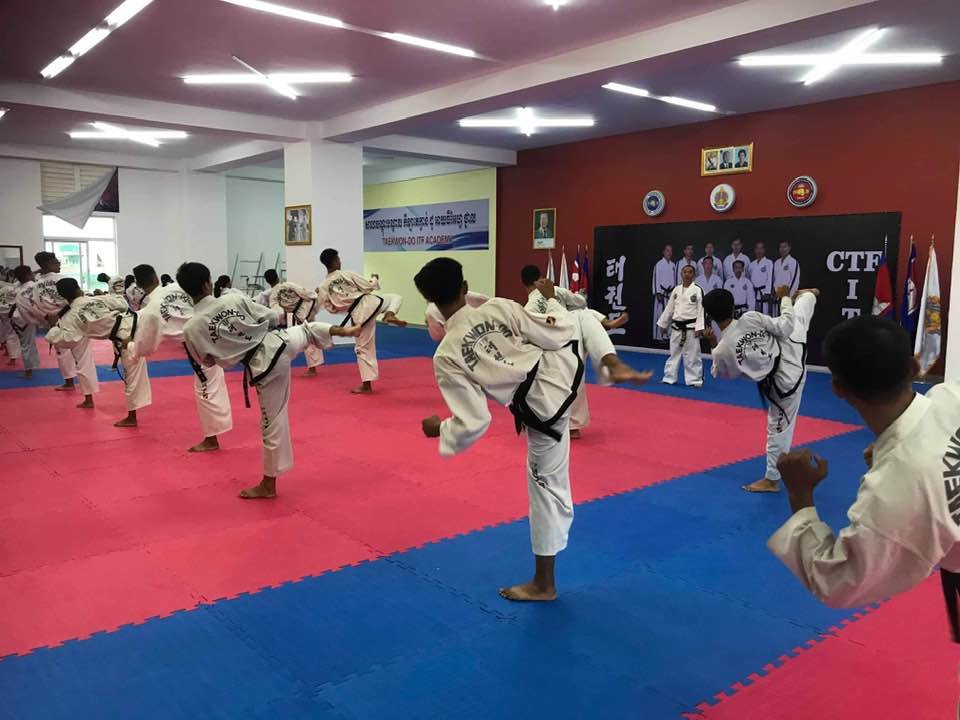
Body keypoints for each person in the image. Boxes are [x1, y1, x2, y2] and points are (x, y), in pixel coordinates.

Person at [415, 258, 649, 602]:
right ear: (465, 289)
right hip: (566, 372)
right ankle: (611, 363)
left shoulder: (446, 355)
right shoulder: (497, 307)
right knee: (580, 317)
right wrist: (554, 306)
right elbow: (551, 332)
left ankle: (543, 584)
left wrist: (441, 428)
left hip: (543, 411)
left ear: (431, 304)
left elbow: (474, 421)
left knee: (546, 493)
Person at [768, 316, 960, 637]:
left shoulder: (895, 487)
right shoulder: (950, 395)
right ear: (915, 367)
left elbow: (837, 581)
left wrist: (800, 495)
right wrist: (891, 449)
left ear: (838, 389)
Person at [178, 262, 360, 498]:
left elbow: (207, 361)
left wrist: (230, 345)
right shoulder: (233, 299)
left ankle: (268, 485)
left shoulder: (191, 328)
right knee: (307, 330)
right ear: (207, 283)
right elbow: (271, 318)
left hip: (263, 366)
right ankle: (342, 331)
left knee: (271, 423)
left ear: (186, 290)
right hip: (281, 342)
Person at [702, 285, 819, 493]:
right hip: (793, 348)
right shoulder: (750, 317)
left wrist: (714, 344)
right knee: (799, 316)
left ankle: (772, 480)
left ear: (709, 315)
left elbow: (721, 373)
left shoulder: (722, 350)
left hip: (785, 383)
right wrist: (784, 298)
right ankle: (809, 295)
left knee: (778, 430)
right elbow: (784, 327)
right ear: (733, 306)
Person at [521, 264, 634, 438]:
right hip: (576, 338)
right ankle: (574, 426)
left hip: (553, 344)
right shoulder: (557, 290)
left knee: (553, 385)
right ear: (540, 275)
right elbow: (581, 302)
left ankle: (555, 421)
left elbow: (530, 330)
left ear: (524, 284)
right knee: (576, 379)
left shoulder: (529, 306)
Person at [131, 264, 233, 452]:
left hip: (200, 346)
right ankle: (214, 435)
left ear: (138, 284)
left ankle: (212, 440)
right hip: (216, 332)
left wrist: (133, 352)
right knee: (213, 386)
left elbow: (145, 345)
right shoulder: (178, 288)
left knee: (205, 391)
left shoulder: (152, 310)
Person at [46, 278, 146, 423]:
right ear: (78, 289)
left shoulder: (68, 317)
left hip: (128, 336)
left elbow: (68, 340)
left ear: (64, 296)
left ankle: (132, 419)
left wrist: (53, 328)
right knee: (132, 377)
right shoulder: (97, 299)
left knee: (131, 378)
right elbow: (123, 304)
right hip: (133, 325)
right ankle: (131, 416)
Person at [316, 248, 406, 394]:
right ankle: (390, 313)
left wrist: (341, 307)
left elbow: (329, 307)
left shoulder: (323, 286)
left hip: (359, 314)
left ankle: (366, 386)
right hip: (372, 302)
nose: (340, 261)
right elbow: (369, 286)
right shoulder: (347, 274)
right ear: (335, 261)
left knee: (364, 348)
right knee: (395, 298)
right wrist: (375, 279)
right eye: (338, 259)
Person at [33, 251, 88, 393]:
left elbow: (36, 304)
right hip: (71, 315)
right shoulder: (63, 278)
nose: (59, 264)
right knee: (80, 350)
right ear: (48, 264)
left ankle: (69, 382)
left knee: (62, 350)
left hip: (52, 320)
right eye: (56, 262)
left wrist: (46, 316)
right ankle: (85, 385)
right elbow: (77, 295)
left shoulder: (36, 284)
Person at [268, 277, 325, 376]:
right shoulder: (287, 285)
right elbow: (303, 292)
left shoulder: (273, 295)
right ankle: (314, 364)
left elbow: (278, 312)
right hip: (309, 307)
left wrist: (282, 319)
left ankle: (312, 369)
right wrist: (314, 295)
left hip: (301, 315)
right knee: (312, 335)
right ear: (277, 278)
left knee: (307, 338)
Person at [658, 265, 704, 387]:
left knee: (692, 355)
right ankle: (669, 377)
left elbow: (701, 310)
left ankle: (694, 380)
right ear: (681, 274)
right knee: (674, 353)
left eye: (690, 272)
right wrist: (663, 323)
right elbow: (669, 308)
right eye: (685, 272)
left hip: (691, 328)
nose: (687, 274)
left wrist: (699, 327)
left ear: (693, 275)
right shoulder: (676, 290)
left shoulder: (697, 290)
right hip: (676, 328)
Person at [7, 266, 41, 377]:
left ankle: (29, 369)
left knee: (27, 343)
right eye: (31, 273)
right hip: (25, 319)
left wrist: (32, 273)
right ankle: (28, 370)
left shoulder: (20, 286)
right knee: (27, 344)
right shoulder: (33, 286)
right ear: (27, 275)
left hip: (19, 318)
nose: (33, 274)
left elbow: (18, 282)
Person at [652, 245, 676, 342]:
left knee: (670, 315)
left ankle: (668, 335)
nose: (669, 253)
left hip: (670, 293)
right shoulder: (659, 264)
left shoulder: (673, 265)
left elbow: (674, 280)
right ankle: (659, 336)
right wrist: (658, 293)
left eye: (670, 251)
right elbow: (655, 279)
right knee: (660, 315)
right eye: (667, 251)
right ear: (663, 252)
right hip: (661, 293)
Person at [773, 241, 800, 315]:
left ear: (789, 248)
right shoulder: (776, 263)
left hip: (787, 296)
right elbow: (775, 280)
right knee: (777, 319)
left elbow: (795, 281)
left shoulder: (793, 262)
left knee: (786, 318)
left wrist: (789, 297)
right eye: (781, 247)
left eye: (785, 247)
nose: (783, 249)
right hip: (777, 296)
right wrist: (775, 293)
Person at [748, 241, 775, 315]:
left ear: (764, 250)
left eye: (761, 248)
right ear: (755, 250)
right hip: (754, 293)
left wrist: (767, 292)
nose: (759, 251)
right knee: (755, 315)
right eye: (757, 248)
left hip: (764, 292)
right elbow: (749, 280)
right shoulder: (751, 264)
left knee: (765, 314)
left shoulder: (769, 262)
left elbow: (770, 278)